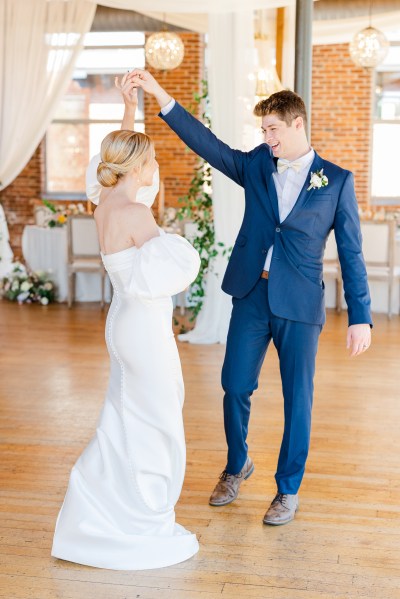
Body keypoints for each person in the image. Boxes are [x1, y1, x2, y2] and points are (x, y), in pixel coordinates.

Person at [129, 69, 372, 526]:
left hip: (300, 304)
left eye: (273, 129)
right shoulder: (258, 164)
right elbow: (208, 144)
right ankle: (237, 463)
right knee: (235, 384)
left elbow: (353, 254)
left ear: (297, 124)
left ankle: (288, 488)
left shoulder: (336, 181)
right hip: (251, 294)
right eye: (263, 131)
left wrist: (361, 316)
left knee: (299, 398)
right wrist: (160, 96)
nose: (267, 138)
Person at [51, 75, 201, 569]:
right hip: (142, 328)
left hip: (121, 325)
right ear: (139, 165)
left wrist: (128, 110)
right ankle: (144, 514)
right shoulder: (136, 213)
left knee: (125, 414)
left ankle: (110, 503)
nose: (155, 164)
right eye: (152, 158)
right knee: (156, 418)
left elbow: (109, 163)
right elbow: (168, 269)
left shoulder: (102, 201)